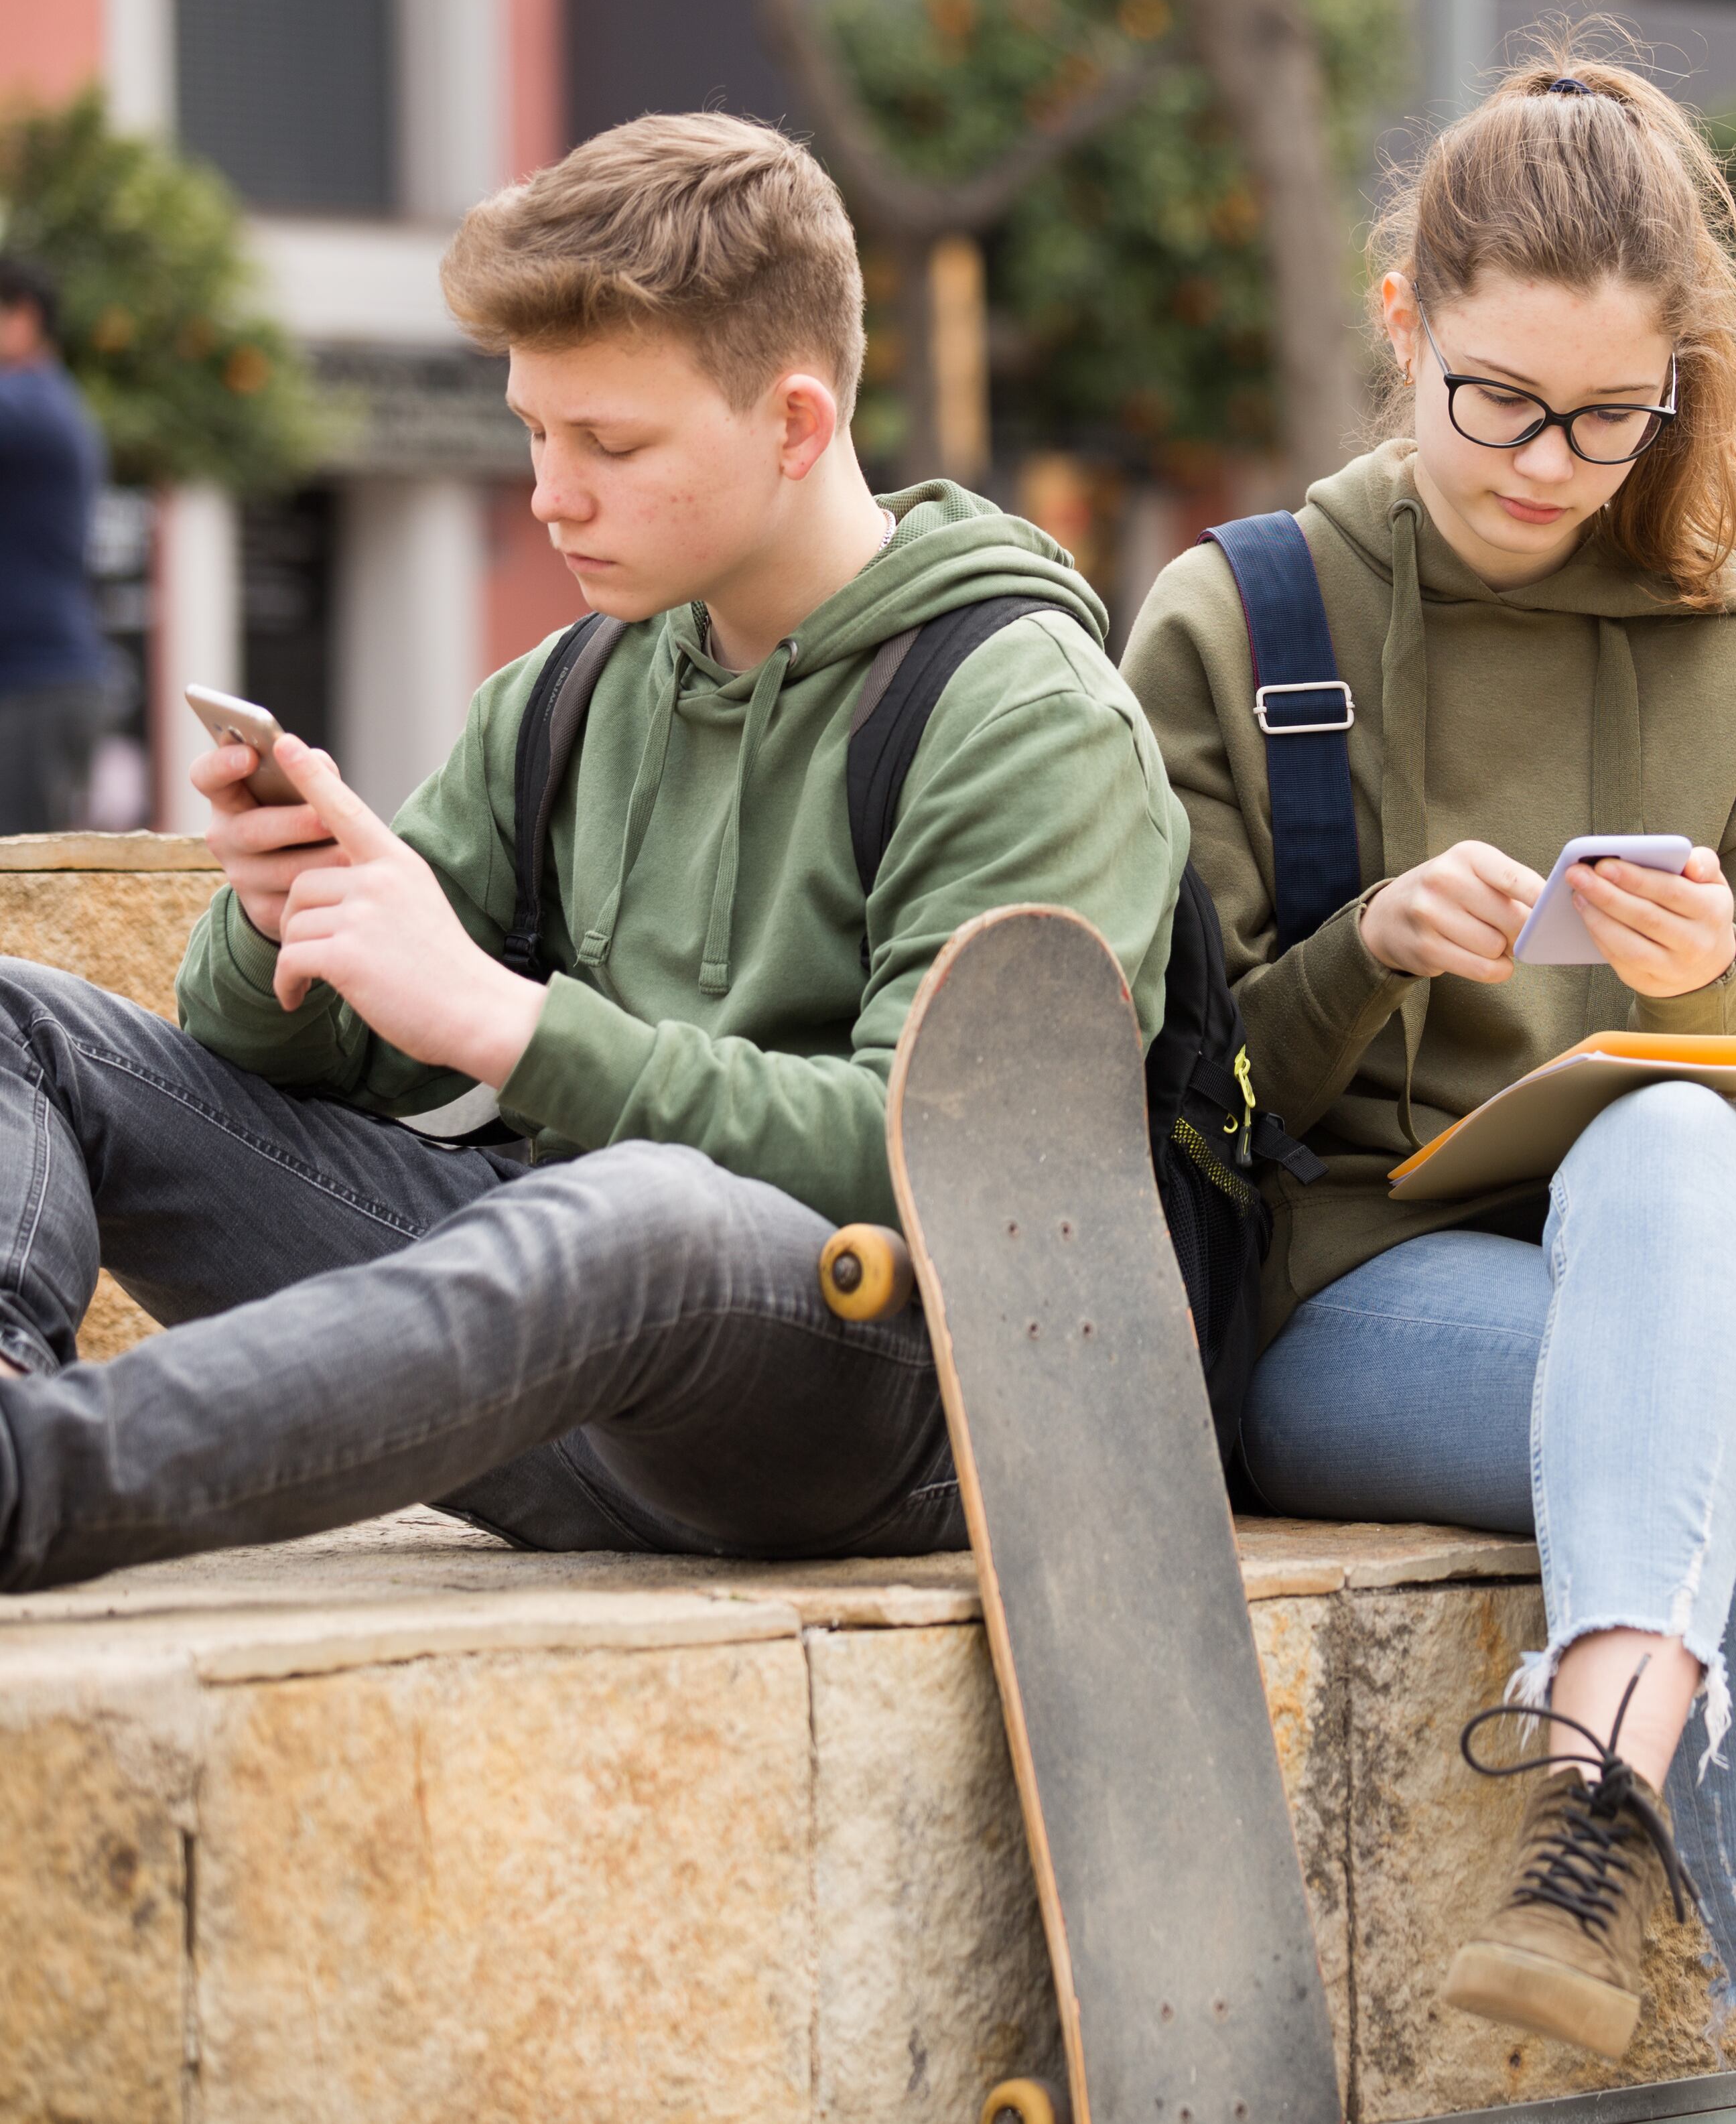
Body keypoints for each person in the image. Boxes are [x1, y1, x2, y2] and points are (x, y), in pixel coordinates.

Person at [0, 113, 1185, 1587]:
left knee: (643, 1208)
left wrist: (515, 1026)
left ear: (797, 424)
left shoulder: (1025, 714)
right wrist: (282, 919)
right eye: (534, 434)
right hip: (552, 1369)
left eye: (610, 444)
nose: (553, 494)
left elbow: (954, 1160)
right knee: (23, 1019)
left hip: (864, 1405)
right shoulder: (570, 688)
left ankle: (32, 1485)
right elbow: (278, 1081)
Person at [1122, 48, 1736, 2124]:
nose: (1541, 460)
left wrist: (1715, 1011)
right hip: (1350, 1286)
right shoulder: (1245, 620)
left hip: (1685, 1243)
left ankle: (1585, 1808)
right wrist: (1364, 948)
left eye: (1605, 416)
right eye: (1495, 395)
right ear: (1405, 324)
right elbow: (1160, 1078)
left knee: (1681, 1150)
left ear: (1676, 389)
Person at [0, 255, 113, 836]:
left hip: (34, 689)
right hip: (41, 682)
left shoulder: (28, 408)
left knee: (19, 894)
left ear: (23, 317)